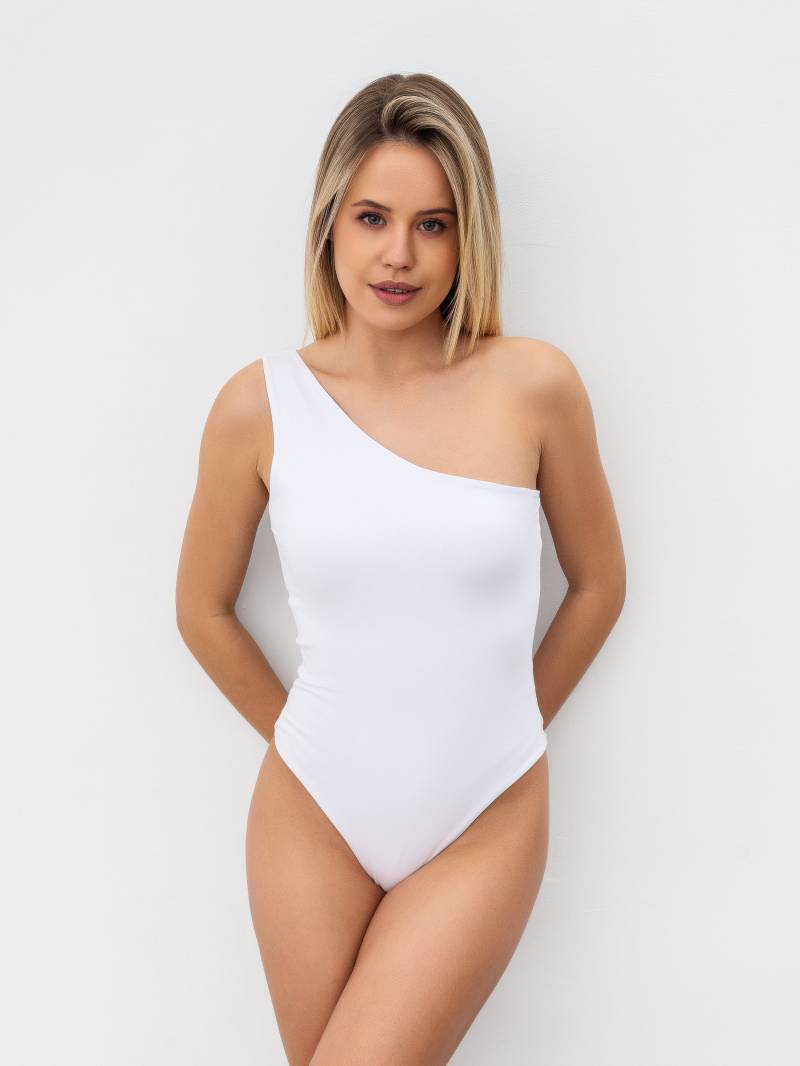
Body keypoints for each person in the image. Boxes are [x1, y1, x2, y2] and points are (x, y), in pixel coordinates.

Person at [176, 72, 626, 1066]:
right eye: (373, 217)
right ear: (328, 223)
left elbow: (599, 584)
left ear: (470, 239)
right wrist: (307, 738)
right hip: (314, 810)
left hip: (484, 809)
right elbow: (200, 608)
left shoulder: (533, 386)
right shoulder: (258, 405)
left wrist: (508, 724)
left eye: (434, 225)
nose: (398, 255)